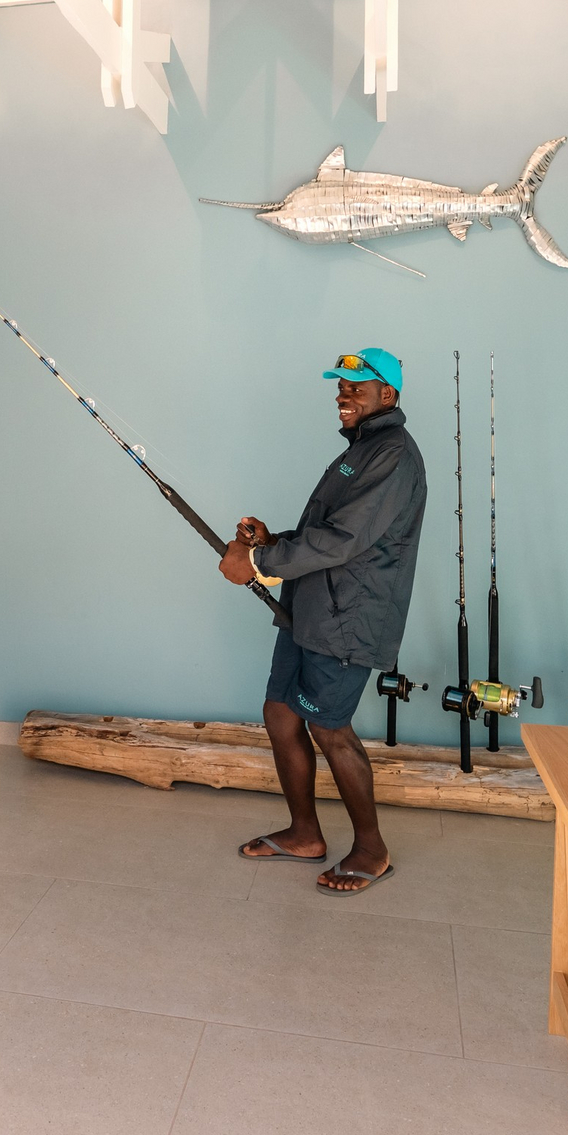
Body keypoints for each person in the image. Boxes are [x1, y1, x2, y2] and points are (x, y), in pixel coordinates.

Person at [217, 347, 428, 895]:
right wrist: (272, 542)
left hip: (348, 620)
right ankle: (305, 834)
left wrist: (259, 562)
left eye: (357, 388)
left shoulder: (393, 456)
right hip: (310, 610)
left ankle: (372, 850)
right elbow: (326, 533)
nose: (343, 396)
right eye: (340, 387)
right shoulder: (360, 451)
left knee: (330, 729)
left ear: (388, 394)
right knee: (281, 714)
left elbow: (345, 540)